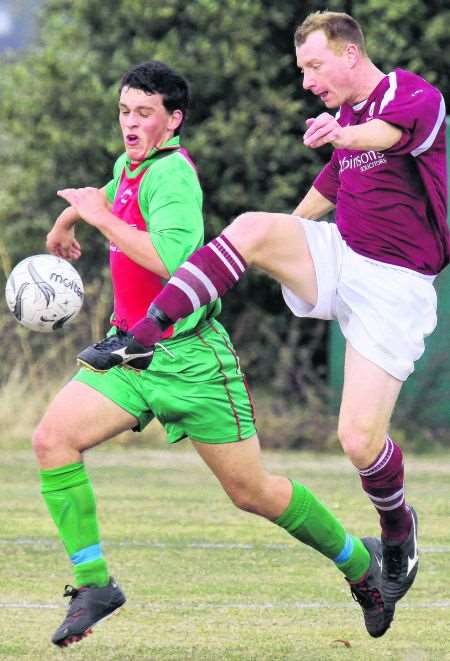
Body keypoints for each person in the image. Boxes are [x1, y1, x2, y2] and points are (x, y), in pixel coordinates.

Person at [79, 10, 449, 628]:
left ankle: (397, 529)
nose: (306, 79)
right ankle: (144, 334)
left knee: (358, 440)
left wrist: (342, 133)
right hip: (344, 255)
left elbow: (383, 137)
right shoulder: (347, 122)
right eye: (301, 68)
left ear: (350, 54)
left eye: (313, 65)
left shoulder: (411, 97)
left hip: (398, 285)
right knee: (251, 226)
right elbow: (329, 185)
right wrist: (282, 235)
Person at [34, 58, 392, 648]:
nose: (130, 123)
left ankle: (360, 563)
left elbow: (176, 265)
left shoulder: (173, 175)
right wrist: (70, 216)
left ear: (173, 121)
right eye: (125, 111)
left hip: (194, 363)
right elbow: (113, 188)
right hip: (132, 354)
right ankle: (94, 584)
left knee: (253, 493)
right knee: (52, 440)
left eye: (145, 114)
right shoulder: (134, 162)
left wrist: (95, 219)